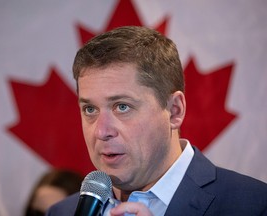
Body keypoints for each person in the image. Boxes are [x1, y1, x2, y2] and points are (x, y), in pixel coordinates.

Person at [47, 26, 267, 215]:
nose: (101, 131)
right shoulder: (62, 212)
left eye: (122, 107)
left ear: (174, 110)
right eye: (90, 109)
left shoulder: (254, 205)